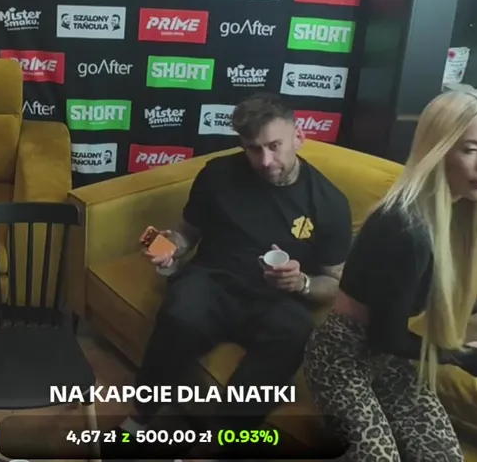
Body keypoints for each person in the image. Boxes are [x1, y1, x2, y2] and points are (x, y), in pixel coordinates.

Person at [302, 87, 477, 461]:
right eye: (470, 149)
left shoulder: (450, 215)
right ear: (439, 151)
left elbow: (426, 290)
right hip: (341, 357)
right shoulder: (405, 228)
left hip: (384, 358)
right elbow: (385, 334)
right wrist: (462, 356)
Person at [123, 93, 352, 436]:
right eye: (254, 149)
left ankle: (219, 440)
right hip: (212, 281)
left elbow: (333, 282)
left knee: (294, 334)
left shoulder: (329, 202)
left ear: (299, 137)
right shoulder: (217, 174)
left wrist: (302, 282)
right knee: (180, 313)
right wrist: (170, 247)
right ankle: (141, 414)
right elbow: (187, 233)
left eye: (274, 146)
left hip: (276, 298)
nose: (266, 160)